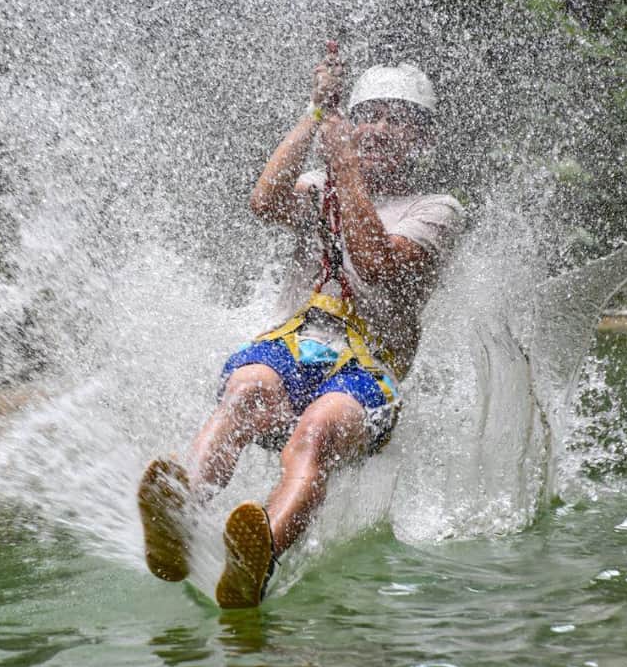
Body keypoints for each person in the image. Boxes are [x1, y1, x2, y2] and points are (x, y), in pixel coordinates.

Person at [139, 45, 466, 608]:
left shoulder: (437, 210)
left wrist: (342, 166)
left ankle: (258, 555)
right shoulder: (318, 186)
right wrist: (316, 113)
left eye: (397, 120)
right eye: (369, 115)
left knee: (316, 431)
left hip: (367, 372)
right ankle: (182, 513)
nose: (379, 129)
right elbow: (264, 201)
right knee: (246, 392)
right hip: (295, 345)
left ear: (422, 140)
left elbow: (375, 261)